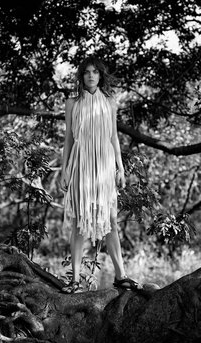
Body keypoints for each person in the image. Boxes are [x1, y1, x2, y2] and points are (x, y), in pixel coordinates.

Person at [60, 56, 138, 294]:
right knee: (78, 223)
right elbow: (69, 139)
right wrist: (64, 171)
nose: (91, 75)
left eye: (95, 72)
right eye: (86, 72)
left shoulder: (110, 101)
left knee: (111, 220)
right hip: (80, 164)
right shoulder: (72, 103)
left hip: (104, 165)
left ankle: (121, 275)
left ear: (101, 75)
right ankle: (74, 281)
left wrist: (120, 168)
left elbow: (114, 137)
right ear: (81, 76)